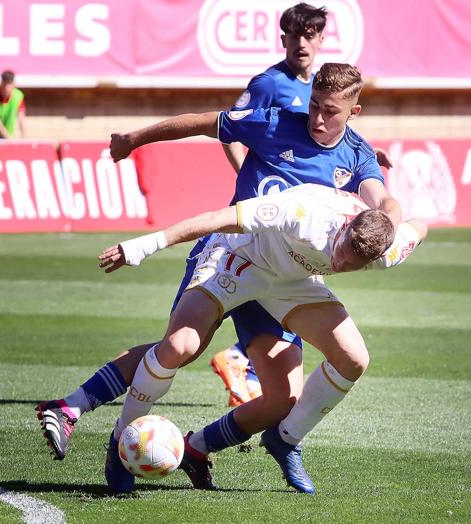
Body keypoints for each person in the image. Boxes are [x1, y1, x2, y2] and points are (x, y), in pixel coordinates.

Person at [36, 63, 401, 495]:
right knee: (179, 347)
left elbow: (384, 204)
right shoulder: (273, 121)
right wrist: (135, 140)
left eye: (331, 112)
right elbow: (202, 123)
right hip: (235, 255)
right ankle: (113, 437)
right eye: (315, 107)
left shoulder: (357, 153)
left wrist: (390, 226)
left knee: (282, 400)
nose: (319, 119)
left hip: (288, 278)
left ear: (353, 112)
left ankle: (201, 447)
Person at [97, 183, 426, 493]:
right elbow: (216, 219)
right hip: (238, 261)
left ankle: (285, 438)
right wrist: (144, 245)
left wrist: (391, 218)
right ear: (347, 226)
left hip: (292, 283)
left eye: (352, 266)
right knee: (179, 345)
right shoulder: (303, 212)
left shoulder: (388, 250)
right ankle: (122, 439)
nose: (340, 263)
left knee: (354, 359)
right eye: (341, 252)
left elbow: (420, 226)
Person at [214, 2, 327, 408]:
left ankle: (244, 362)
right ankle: (240, 359)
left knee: (288, 295)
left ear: (320, 39)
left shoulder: (318, 88)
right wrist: (248, 174)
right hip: (267, 218)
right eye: (295, 35)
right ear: (284, 40)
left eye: (310, 35)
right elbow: (228, 129)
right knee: (289, 293)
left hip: (299, 219)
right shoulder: (268, 83)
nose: (302, 43)